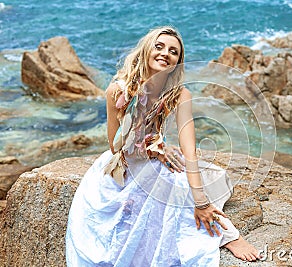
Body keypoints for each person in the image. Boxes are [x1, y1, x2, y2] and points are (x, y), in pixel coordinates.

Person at [65, 26, 260, 266]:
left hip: (157, 159)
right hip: (126, 165)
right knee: (175, 188)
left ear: (178, 61)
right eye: (159, 47)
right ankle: (230, 236)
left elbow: (189, 148)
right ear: (146, 50)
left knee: (210, 180)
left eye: (173, 51)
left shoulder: (180, 94)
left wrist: (200, 201)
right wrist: (156, 148)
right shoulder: (118, 90)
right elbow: (116, 146)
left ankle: (223, 232)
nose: (165, 53)